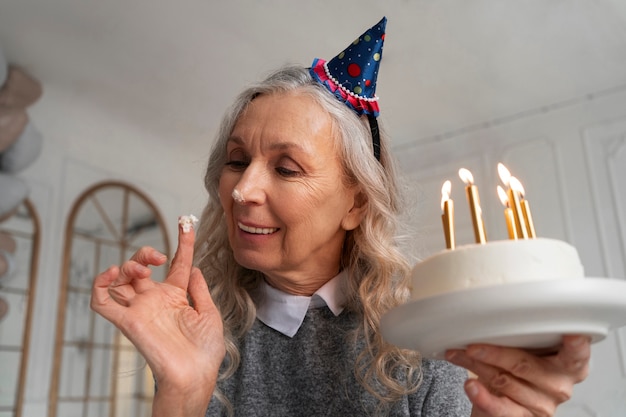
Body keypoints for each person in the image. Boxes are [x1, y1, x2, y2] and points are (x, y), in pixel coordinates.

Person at [91, 17, 590, 417]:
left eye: (286, 168)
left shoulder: (426, 338)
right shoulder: (201, 335)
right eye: (237, 160)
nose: (242, 190)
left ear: (355, 204)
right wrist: (180, 396)